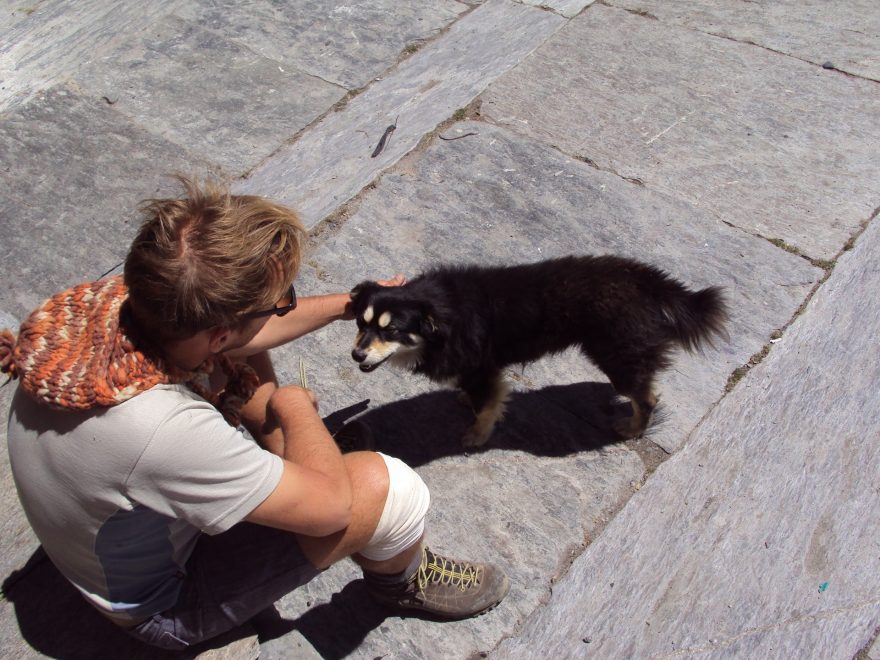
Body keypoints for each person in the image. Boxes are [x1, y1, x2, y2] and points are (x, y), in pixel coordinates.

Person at [0, 177, 509, 651]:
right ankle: (401, 581)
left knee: (244, 365)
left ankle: (286, 469)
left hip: (102, 540)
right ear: (218, 333)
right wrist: (293, 406)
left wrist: (348, 304)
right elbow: (335, 508)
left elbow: (241, 335)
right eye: (279, 302)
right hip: (161, 607)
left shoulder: (95, 309)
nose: (286, 308)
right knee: (386, 489)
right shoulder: (161, 427)